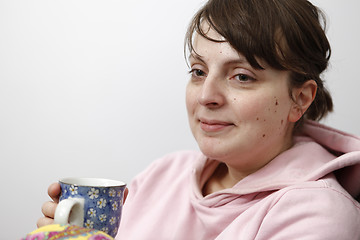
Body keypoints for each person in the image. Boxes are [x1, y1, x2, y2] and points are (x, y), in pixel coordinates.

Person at [37, 0, 360, 239]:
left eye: (242, 77)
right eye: (198, 71)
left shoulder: (319, 216)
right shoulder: (163, 175)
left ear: (300, 99)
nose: (207, 95)